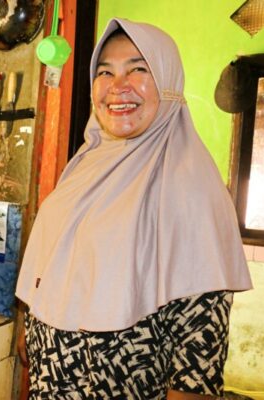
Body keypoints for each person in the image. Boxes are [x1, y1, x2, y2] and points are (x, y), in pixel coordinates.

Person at [15, 18, 253, 400]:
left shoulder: (192, 189)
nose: (117, 87)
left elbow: (199, 349)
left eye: (139, 69)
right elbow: (50, 261)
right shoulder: (85, 164)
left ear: (169, 81)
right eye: (105, 72)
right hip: (53, 378)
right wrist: (28, 323)